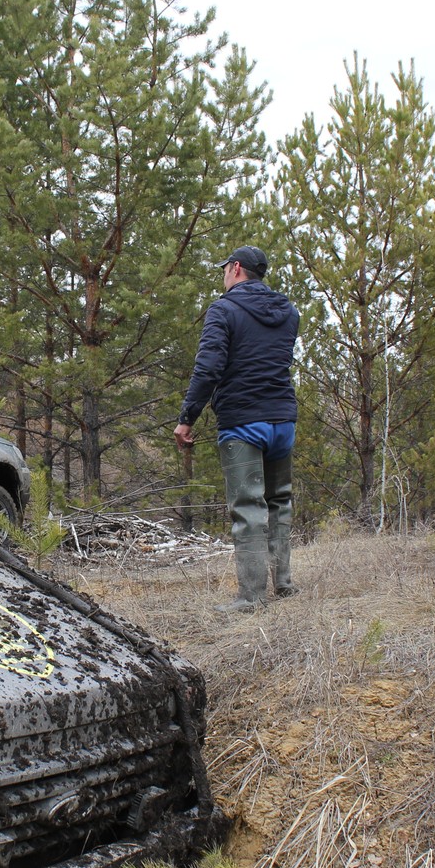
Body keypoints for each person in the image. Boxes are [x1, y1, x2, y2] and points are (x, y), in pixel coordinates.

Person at [175, 245, 300, 613]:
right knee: (279, 502)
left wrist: (187, 418)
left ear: (236, 269)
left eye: (224, 268)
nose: (223, 275)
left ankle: (250, 597)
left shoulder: (223, 309)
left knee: (248, 507)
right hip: (282, 420)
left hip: (244, 422)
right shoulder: (289, 311)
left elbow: (208, 369)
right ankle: (284, 585)